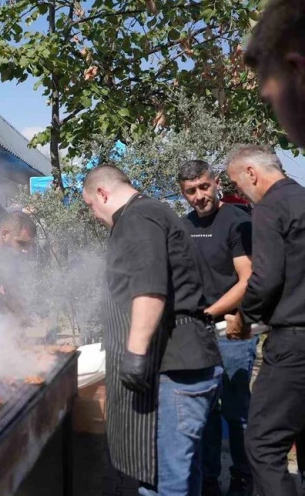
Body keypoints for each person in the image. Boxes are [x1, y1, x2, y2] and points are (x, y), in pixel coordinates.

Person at [83, 164, 222, 495]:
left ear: (102, 193)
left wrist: (134, 353)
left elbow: (149, 289)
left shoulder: (138, 218)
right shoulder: (151, 213)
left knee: (164, 481)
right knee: (182, 475)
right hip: (183, 361)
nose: (93, 214)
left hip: (175, 365)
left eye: (90, 205)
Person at [223, 146, 305, 496]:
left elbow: (265, 278)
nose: (242, 193)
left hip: (293, 344)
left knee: (262, 443)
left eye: (239, 185)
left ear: (253, 173)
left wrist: (243, 318)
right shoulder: (301, 199)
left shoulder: (270, 206)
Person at [178, 160, 256, 496]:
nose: (199, 196)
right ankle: (209, 479)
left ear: (216, 182)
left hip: (231, 330)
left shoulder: (237, 220)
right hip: (198, 332)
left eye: (204, 187)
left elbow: (247, 279)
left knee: (237, 412)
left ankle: (242, 477)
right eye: (191, 191)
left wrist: (213, 312)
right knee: (204, 412)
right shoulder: (182, 227)